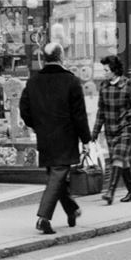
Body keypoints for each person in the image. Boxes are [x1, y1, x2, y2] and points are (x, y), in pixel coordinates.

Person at [19, 42, 91, 235]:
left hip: (44, 136)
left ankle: (72, 210)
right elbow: (79, 115)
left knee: (55, 176)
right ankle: (43, 218)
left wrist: (37, 125)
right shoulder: (71, 81)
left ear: (44, 58)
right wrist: (86, 139)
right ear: (61, 57)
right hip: (65, 136)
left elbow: (24, 109)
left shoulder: (33, 81)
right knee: (58, 175)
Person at [91, 54, 131, 204]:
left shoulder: (129, 85)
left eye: (106, 70)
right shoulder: (104, 86)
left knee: (118, 158)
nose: (104, 72)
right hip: (110, 130)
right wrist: (95, 132)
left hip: (125, 127)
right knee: (123, 161)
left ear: (114, 70)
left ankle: (110, 192)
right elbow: (101, 111)